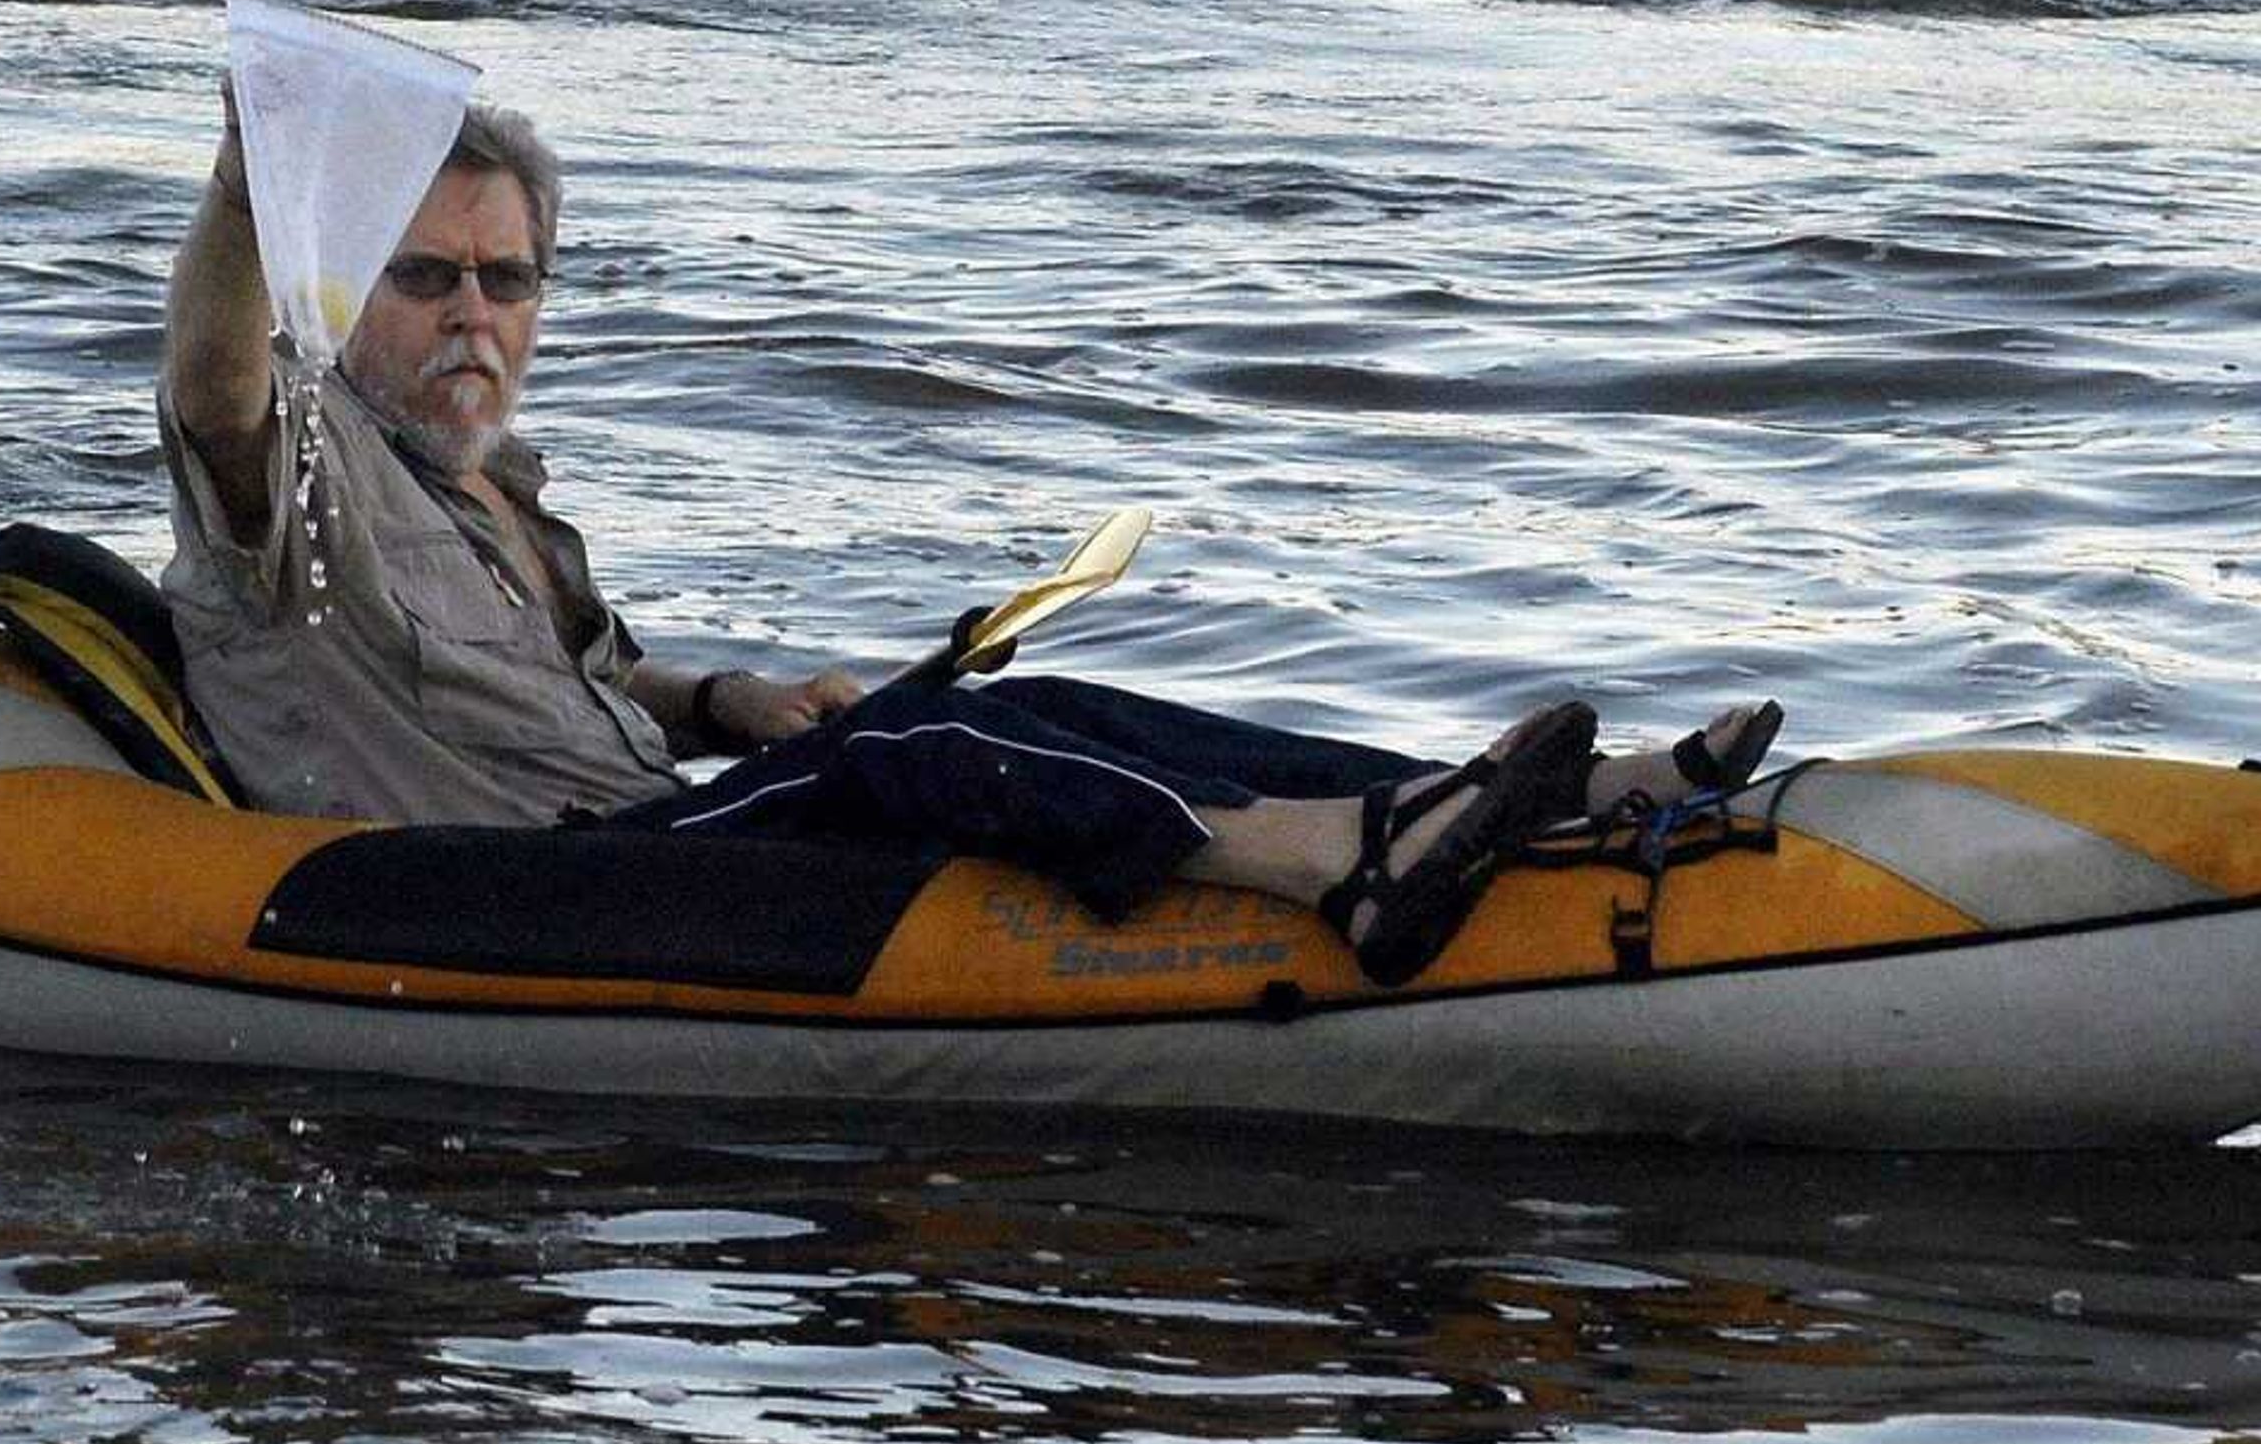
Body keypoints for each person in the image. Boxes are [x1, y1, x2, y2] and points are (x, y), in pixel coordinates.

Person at [158, 91, 1780, 985]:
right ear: (340, 295)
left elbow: (593, 673)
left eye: (505, 282)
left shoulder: (500, 489)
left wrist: (733, 702)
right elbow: (211, 386)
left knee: (1010, 705)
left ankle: (1468, 801)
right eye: (426, 277)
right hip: (544, 896)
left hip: (666, 818)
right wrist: (250, 185)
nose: (472, 317)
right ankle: (1335, 870)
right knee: (915, 745)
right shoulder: (298, 477)